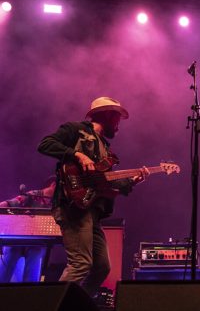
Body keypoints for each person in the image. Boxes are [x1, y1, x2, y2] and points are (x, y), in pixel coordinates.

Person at [37, 97, 148, 296]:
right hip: (73, 205)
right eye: (116, 118)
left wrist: (133, 180)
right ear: (106, 115)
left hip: (92, 212)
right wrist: (77, 155)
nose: (119, 125)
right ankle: (52, 305)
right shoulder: (75, 130)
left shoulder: (106, 149)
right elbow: (45, 144)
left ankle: (78, 305)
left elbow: (105, 183)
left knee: (102, 267)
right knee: (80, 263)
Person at [0, 177, 56, 282]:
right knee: (7, 266)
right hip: (16, 238)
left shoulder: (55, 204)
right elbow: (10, 203)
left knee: (32, 274)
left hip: (37, 242)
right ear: (54, 185)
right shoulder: (33, 195)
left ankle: (29, 295)